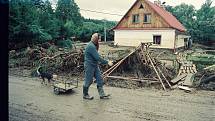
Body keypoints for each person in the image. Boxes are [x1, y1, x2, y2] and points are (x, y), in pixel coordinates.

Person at [83, 33, 113, 100]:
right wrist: (107, 62)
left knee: (99, 79)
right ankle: (85, 94)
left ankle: (102, 95)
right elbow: (97, 58)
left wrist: (105, 60)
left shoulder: (94, 45)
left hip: (95, 65)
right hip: (89, 65)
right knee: (89, 80)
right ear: (95, 39)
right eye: (99, 38)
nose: (100, 40)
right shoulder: (91, 46)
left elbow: (97, 56)